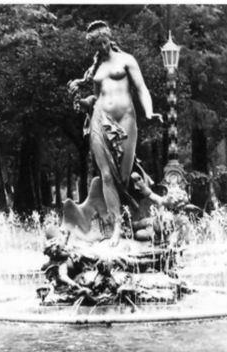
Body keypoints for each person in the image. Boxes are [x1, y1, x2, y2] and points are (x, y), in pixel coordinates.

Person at [64, 20, 163, 246]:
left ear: (109, 38)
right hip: (100, 120)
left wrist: (149, 112)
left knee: (124, 177)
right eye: (96, 45)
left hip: (126, 119)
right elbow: (95, 98)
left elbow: (142, 88)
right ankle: (117, 226)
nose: (101, 47)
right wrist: (79, 99)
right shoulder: (95, 70)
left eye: (103, 42)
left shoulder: (127, 60)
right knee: (107, 175)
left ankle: (131, 219)